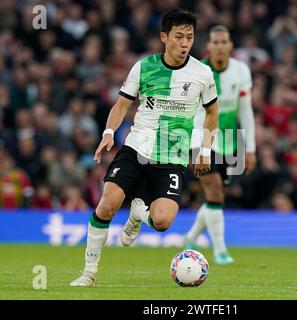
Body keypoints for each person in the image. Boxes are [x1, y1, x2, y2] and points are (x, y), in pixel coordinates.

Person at [70, 8, 218, 286]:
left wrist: (206, 149)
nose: (185, 43)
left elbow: (212, 114)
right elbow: (122, 104)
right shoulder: (143, 67)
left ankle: (139, 213)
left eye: (190, 37)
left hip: (171, 158)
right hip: (136, 148)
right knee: (106, 206)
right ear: (164, 37)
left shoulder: (202, 74)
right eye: (179, 36)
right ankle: (89, 273)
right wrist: (109, 132)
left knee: (162, 222)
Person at [184, 25, 256, 265]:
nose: (219, 47)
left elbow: (245, 111)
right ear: (209, 47)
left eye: (224, 42)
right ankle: (220, 251)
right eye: (215, 42)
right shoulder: (196, 71)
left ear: (230, 45)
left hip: (229, 142)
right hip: (199, 138)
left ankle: (192, 236)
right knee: (214, 190)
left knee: (217, 196)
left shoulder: (241, 71)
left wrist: (250, 148)